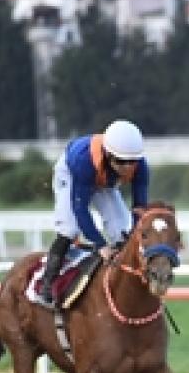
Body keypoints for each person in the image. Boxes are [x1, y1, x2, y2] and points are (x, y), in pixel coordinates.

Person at [37, 119, 150, 308]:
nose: (127, 167)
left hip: (103, 179)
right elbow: (80, 209)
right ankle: (47, 282)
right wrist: (100, 244)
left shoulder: (141, 167)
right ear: (107, 153)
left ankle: (123, 284)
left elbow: (140, 207)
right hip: (72, 174)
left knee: (121, 230)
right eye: (121, 161)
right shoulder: (84, 161)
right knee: (69, 228)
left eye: (132, 161)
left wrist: (133, 234)